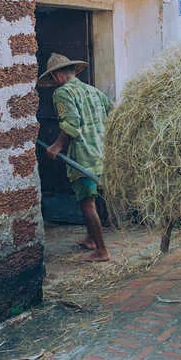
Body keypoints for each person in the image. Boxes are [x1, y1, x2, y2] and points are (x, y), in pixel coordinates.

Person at [38, 53, 113, 261]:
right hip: (100, 151)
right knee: (95, 197)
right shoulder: (93, 91)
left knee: (86, 202)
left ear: (57, 76)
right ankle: (91, 238)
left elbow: (71, 124)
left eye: (53, 79)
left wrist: (56, 146)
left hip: (83, 155)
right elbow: (113, 112)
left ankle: (101, 250)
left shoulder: (62, 93)